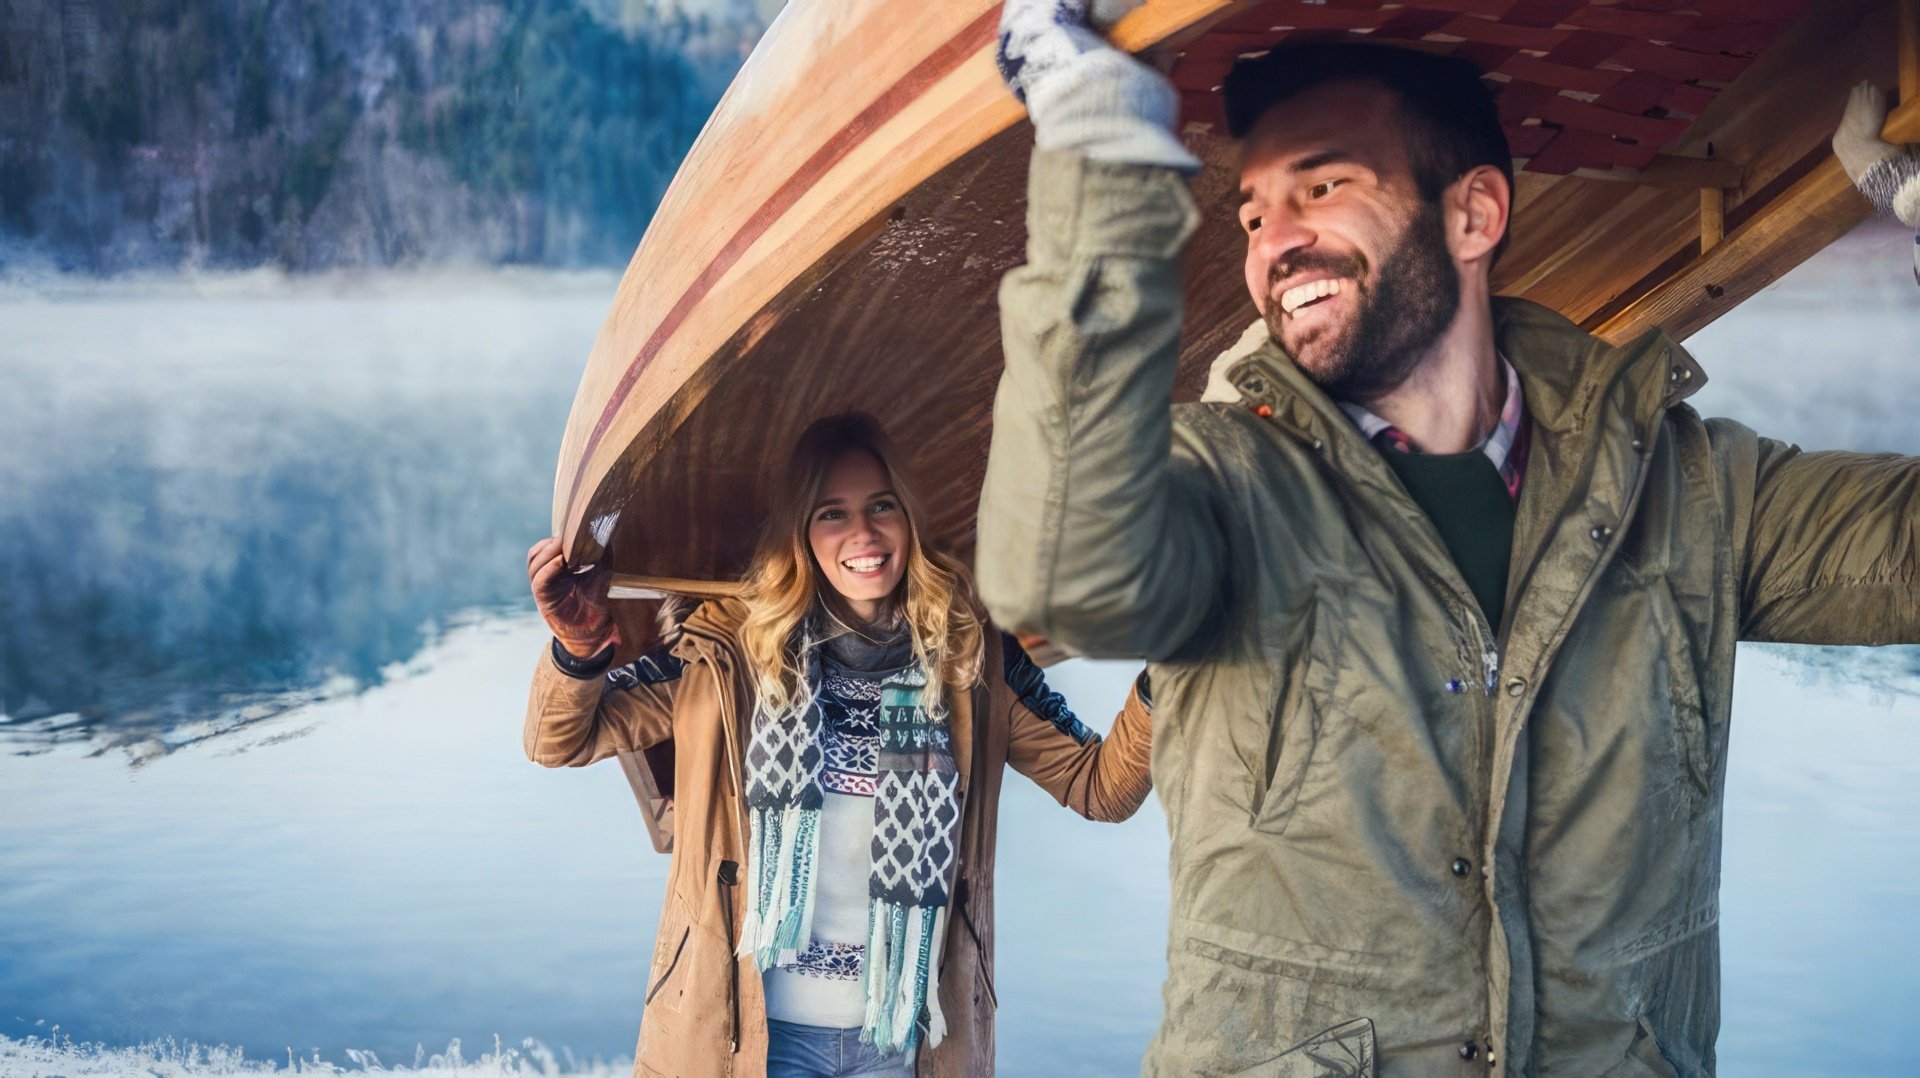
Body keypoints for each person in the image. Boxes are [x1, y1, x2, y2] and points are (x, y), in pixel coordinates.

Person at [981, 2, 1920, 1074]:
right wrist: (1099, 156)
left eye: (1322, 188)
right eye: (1251, 215)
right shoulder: (1222, 485)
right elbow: (1061, 573)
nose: (1273, 241)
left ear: (1474, 214)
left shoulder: (1692, 487)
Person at [523, 412, 1154, 1078]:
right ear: (802, 534)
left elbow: (1099, 786)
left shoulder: (970, 662)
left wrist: (1165, 677)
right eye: (832, 514)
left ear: (909, 517)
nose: (863, 534)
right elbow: (560, 740)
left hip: (904, 1044)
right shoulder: (729, 658)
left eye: (882, 506)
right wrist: (579, 647)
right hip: (752, 1040)